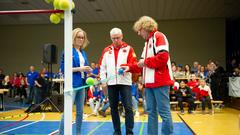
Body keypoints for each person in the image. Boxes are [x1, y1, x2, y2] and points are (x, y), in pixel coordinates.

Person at [121, 16, 174, 135]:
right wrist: (129, 67)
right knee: (151, 112)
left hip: (161, 82)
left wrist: (145, 62)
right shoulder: (147, 43)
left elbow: (163, 58)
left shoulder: (159, 36)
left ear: (145, 27)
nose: (139, 33)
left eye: (139, 30)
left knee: (164, 112)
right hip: (149, 84)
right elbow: (140, 64)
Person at [99, 27, 137, 135]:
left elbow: (134, 64)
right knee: (113, 108)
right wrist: (103, 81)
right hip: (111, 84)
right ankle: (117, 132)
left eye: (118, 38)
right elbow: (102, 67)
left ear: (122, 36)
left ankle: (129, 132)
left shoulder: (129, 49)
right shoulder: (106, 50)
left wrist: (126, 67)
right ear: (111, 38)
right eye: (114, 38)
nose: (116, 40)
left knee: (128, 108)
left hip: (125, 83)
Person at [58, 28, 92, 135]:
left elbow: (84, 67)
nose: (81, 39)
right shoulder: (68, 50)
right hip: (72, 85)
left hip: (82, 85)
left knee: (80, 112)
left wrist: (88, 71)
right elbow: (64, 69)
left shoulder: (83, 52)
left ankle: (78, 133)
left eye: (82, 37)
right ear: (73, 37)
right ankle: (61, 133)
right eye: (79, 37)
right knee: (67, 111)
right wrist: (81, 69)